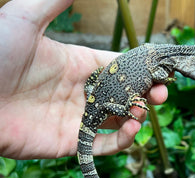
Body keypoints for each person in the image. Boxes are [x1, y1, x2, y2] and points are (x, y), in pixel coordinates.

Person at [0, 0, 168, 160]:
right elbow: (108, 107)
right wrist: (126, 109)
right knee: (117, 109)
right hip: (98, 105)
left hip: (95, 103)